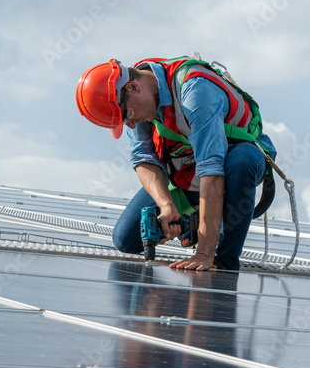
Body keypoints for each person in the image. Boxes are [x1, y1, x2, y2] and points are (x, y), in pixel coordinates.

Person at [75, 53, 275, 271]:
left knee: (241, 162)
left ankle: (224, 261)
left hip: (232, 159)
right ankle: (198, 218)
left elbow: (212, 168)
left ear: (133, 87)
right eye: (125, 121)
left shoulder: (194, 91)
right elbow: (143, 158)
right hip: (188, 170)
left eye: (128, 115)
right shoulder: (135, 104)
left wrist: (204, 254)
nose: (131, 124)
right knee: (126, 239)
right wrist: (166, 204)